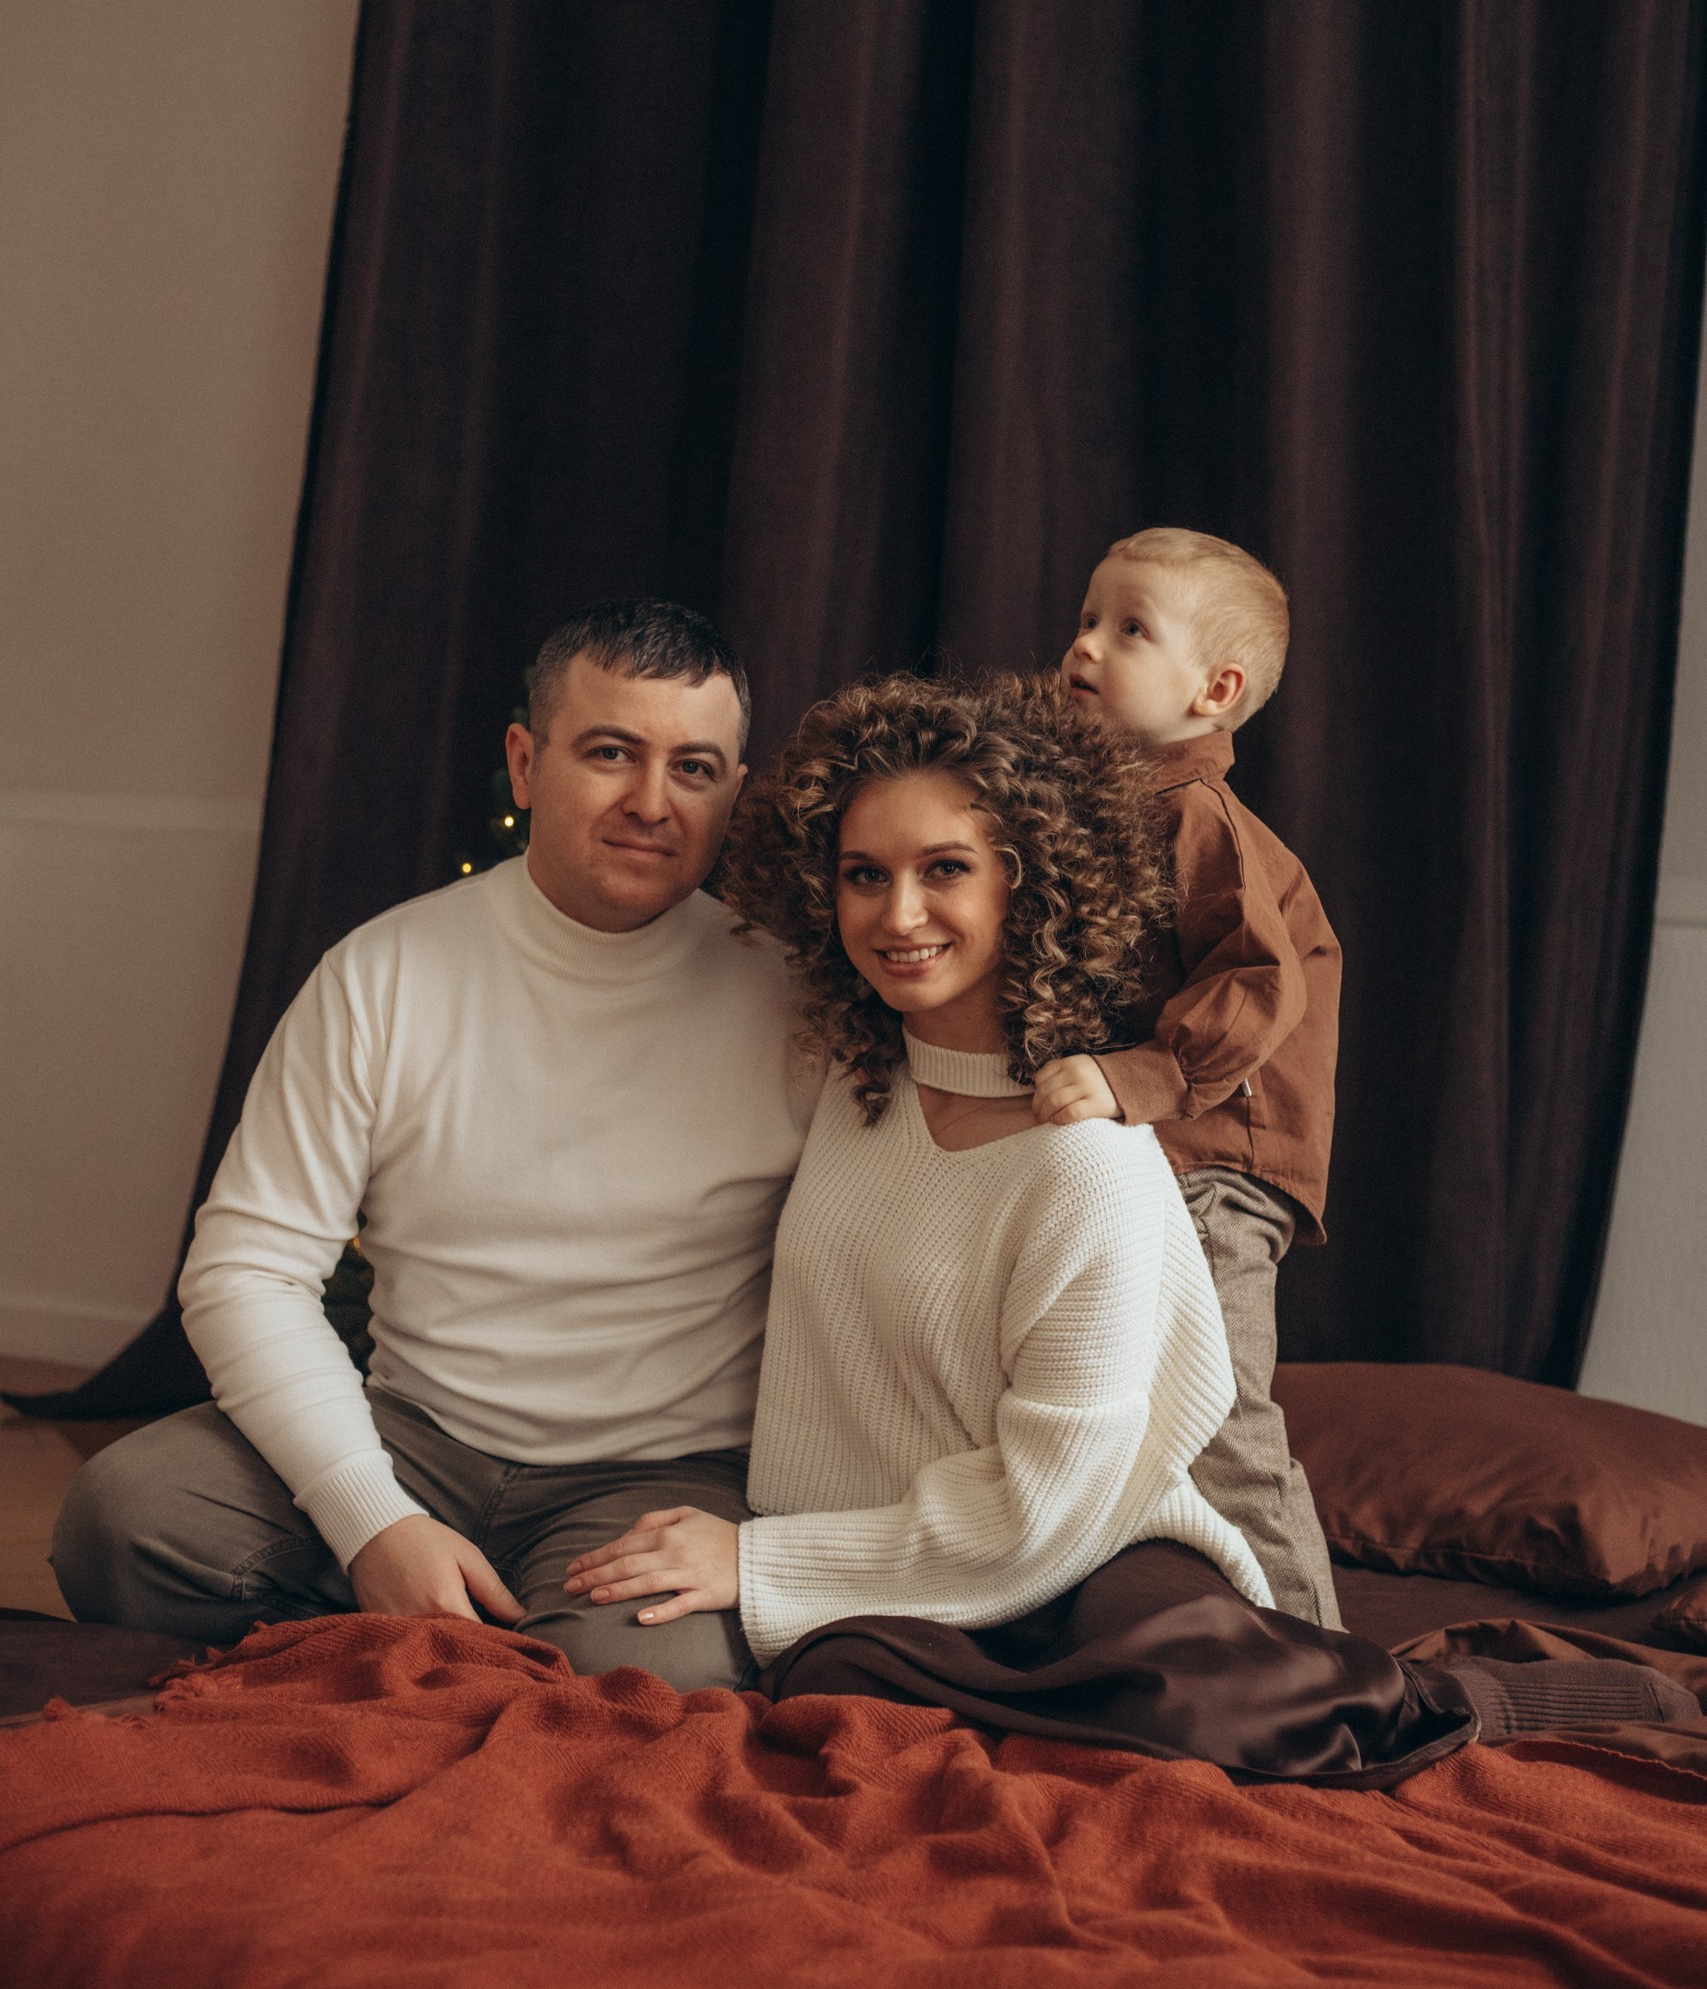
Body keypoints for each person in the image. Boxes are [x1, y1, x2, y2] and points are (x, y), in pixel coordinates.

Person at [561, 672, 1699, 1779]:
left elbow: (1050, 1501)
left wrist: (762, 1558)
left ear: (1030, 884)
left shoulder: (1088, 1161)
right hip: (895, 1558)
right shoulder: (849, 1091)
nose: (898, 915)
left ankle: (1470, 1697)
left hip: (1082, 1550)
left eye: (945, 869)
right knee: (839, 1675)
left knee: (1198, 1701)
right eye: (865, 874)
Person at [51, 601, 817, 1691]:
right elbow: (247, 1270)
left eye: (692, 768)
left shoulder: (797, 1003)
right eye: (610, 753)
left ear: (733, 790)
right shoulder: (383, 974)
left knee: (657, 1677)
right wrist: (372, 1519)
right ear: (526, 763)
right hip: (414, 1436)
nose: (652, 802)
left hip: (655, 1479)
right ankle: (452, 1634)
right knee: (122, 1519)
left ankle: (416, 1657)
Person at [1045, 526, 1343, 1625]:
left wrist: (1142, 1076)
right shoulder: (1105, 806)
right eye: (1086, 618)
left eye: (1130, 629)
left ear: (1213, 692)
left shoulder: (1196, 817)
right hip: (1157, 1156)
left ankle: (1331, 1660)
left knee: (1218, 1419)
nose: (1086, 645)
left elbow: (1259, 983)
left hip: (1220, 1165)